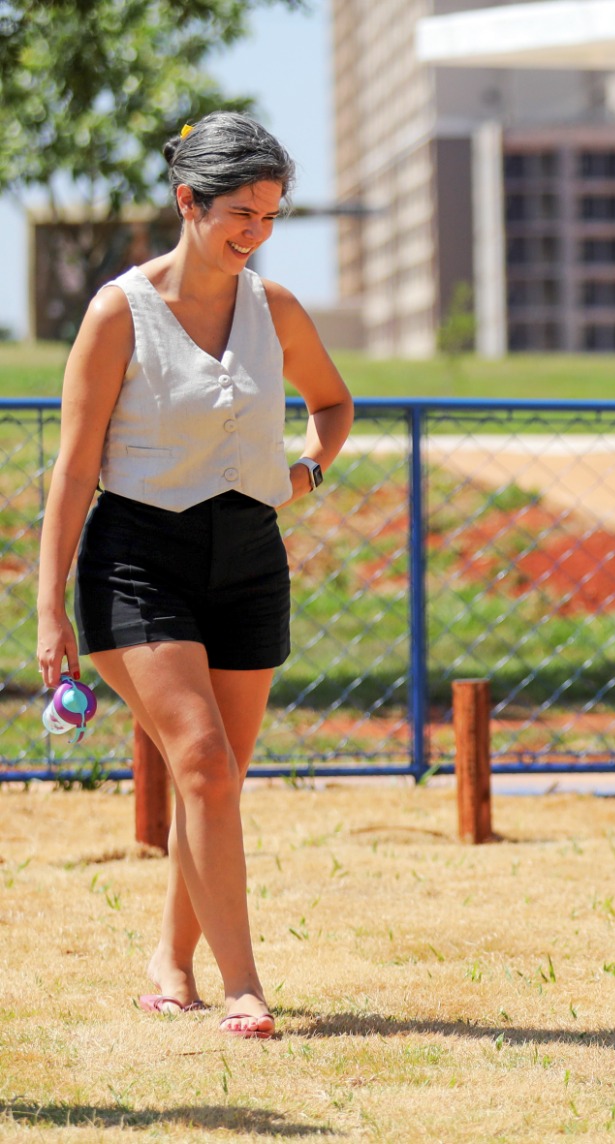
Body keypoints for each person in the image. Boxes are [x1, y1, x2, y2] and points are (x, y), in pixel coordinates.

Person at [35, 112, 354, 1039]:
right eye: (241, 214)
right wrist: (47, 607)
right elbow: (73, 467)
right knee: (204, 765)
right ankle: (244, 983)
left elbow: (332, 403)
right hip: (137, 559)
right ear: (189, 201)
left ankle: (171, 960)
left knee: (214, 779)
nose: (255, 233)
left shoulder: (278, 309)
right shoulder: (117, 311)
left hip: (250, 558)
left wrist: (307, 473)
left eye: (270, 216)